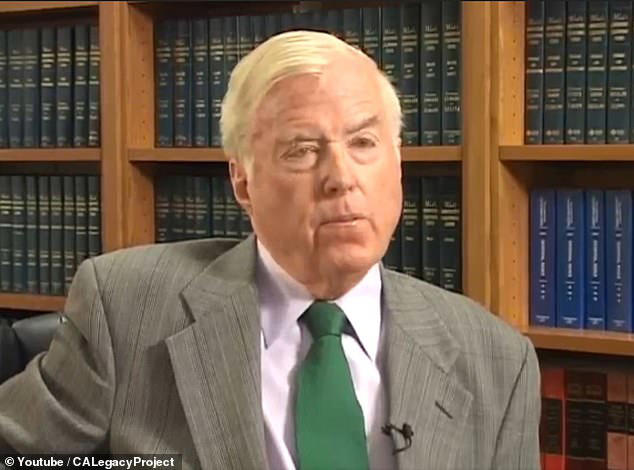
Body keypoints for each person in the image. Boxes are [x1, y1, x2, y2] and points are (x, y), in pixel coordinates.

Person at [0, 30, 540, 469]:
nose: (341, 178)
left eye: (363, 143)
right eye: (302, 150)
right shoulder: (125, 310)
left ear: (397, 164)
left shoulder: (496, 362)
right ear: (243, 181)